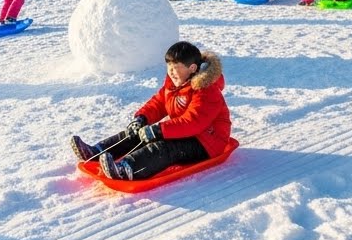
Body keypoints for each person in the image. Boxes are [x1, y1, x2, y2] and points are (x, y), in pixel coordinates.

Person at [70, 41, 231, 181]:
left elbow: (193, 122)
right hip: (186, 132)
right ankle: (96, 152)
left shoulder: (206, 90)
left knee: (165, 146)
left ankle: (127, 169)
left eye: (176, 67)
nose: (171, 72)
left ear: (192, 68)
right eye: (169, 67)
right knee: (138, 132)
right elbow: (159, 103)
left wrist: (159, 130)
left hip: (207, 142)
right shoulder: (174, 84)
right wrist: (142, 118)